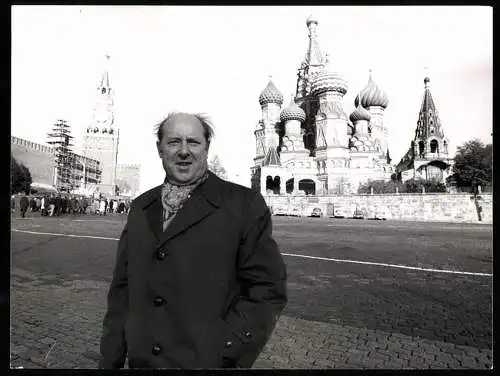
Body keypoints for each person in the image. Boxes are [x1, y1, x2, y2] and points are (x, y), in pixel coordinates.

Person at [98, 112, 287, 369]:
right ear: (160, 149)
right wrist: (111, 359)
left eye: (193, 142)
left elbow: (267, 289)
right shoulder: (141, 207)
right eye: (174, 142)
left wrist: (225, 348)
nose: (184, 151)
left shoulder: (242, 205)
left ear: (206, 147)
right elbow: (122, 291)